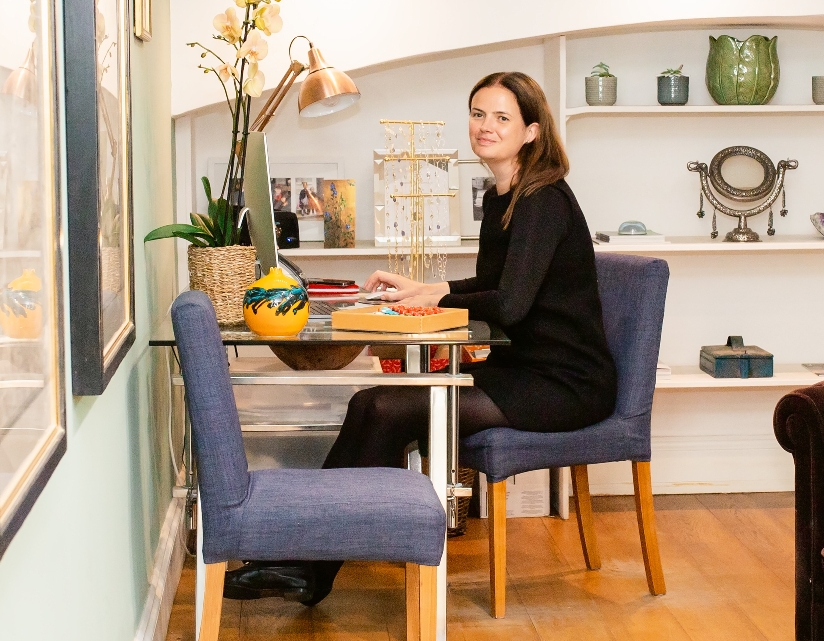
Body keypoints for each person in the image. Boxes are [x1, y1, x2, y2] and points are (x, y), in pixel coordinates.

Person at [225, 71, 618, 604]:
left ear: (531, 130)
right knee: (370, 403)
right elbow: (495, 284)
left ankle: (309, 564)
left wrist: (436, 300)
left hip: (564, 383)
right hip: (522, 370)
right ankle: (305, 560)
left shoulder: (543, 201)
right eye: (478, 113)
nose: (485, 126)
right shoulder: (505, 197)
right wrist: (427, 286)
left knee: (386, 409)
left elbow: (510, 304)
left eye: (502, 117)